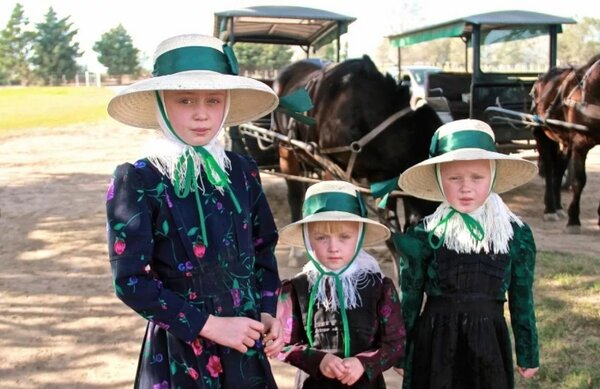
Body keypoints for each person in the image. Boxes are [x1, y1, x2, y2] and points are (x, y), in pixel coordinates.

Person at [105, 34, 284, 388]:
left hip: (245, 345)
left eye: (213, 100)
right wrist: (211, 326)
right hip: (181, 350)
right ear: (160, 103)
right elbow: (131, 281)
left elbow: (264, 247)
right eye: (185, 100)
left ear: (226, 105)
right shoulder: (139, 179)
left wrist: (266, 311)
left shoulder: (243, 171)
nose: (202, 113)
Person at [393, 119, 540, 389]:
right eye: (454, 178)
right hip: (436, 343)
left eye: (477, 177)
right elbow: (410, 301)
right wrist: (402, 355)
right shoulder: (425, 235)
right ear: (439, 179)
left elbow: (522, 298)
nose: (466, 187)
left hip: (489, 344)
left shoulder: (514, 234)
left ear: (493, 176)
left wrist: (528, 351)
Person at [276, 180, 406, 388]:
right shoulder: (297, 289)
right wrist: (318, 360)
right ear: (308, 239)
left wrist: (364, 363)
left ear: (360, 236)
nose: (333, 247)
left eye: (344, 237)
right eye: (321, 237)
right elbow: (282, 344)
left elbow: (395, 344)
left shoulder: (379, 287)